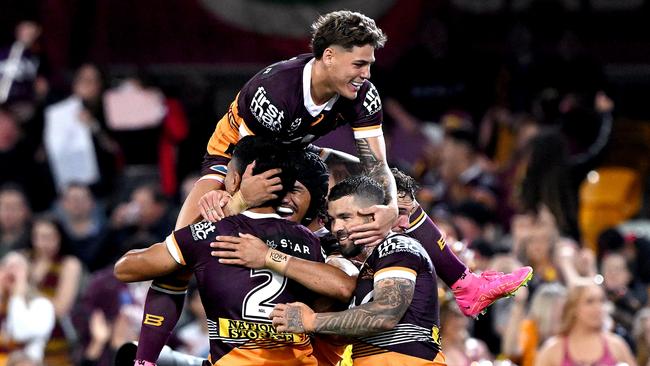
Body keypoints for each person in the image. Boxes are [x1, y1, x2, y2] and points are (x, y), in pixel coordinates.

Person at [114, 136, 350, 365]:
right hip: (301, 359)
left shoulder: (212, 233)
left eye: (296, 191)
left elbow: (125, 269)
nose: (288, 198)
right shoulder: (312, 242)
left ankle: (144, 361)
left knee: (176, 264)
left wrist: (267, 254)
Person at [269, 175, 446, 365]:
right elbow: (345, 335)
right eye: (332, 220)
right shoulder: (371, 266)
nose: (337, 228)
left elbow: (385, 314)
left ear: (373, 215)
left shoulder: (397, 245)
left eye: (345, 217)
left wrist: (312, 320)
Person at [534, 280, 637, 366]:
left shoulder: (616, 346)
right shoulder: (553, 349)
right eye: (590, 301)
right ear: (573, 308)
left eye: (601, 301)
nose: (598, 308)